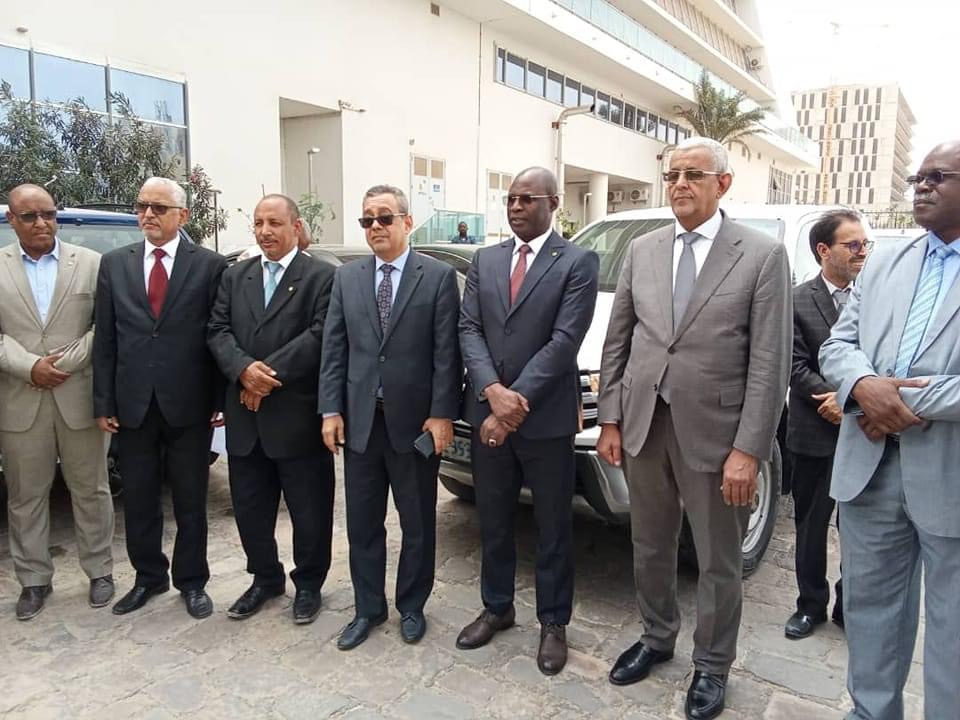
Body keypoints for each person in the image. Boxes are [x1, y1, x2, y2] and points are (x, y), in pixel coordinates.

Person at [596, 136, 791, 720]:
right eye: (672, 174)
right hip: (644, 426)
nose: (679, 184)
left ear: (723, 184)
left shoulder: (761, 255)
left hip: (717, 435)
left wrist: (749, 450)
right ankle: (657, 637)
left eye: (693, 175)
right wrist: (610, 417)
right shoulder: (644, 249)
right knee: (650, 544)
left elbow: (770, 363)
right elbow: (619, 341)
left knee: (717, 558)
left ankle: (712, 664)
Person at [819, 140, 960, 720]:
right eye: (916, 178)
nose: (921, 186)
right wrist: (862, 385)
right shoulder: (884, 261)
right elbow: (837, 345)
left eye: (937, 177)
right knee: (870, 608)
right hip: (870, 467)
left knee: (952, 627)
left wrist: (897, 399)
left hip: (949, 471)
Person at [457, 167, 599, 675]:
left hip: (545, 421)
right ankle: (497, 607)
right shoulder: (486, 260)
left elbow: (565, 340)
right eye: (511, 199)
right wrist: (493, 393)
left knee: (553, 525)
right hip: (488, 414)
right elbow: (469, 328)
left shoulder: (577, 261)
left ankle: (554, 622)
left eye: (527, 199)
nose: (516, 207)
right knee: (493, 518)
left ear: (553, 203)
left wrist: (514, 403)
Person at [319, 184, 461, 649]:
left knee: (417, 522)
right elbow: (334, 349)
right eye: (367, 220)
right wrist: (330, 409)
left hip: (415, 425)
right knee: (363, 523)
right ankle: (368, 608)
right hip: (361, 423)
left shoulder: (437, 277)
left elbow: (447, 353)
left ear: (407, 221)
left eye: (384, 217)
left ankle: (412, 606)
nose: (375, 226)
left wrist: (442, 414)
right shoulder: (347, 278)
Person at [93, 177, 226, 619]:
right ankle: (148, 577)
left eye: (158, 208)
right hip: (132, 405)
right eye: (142, 206)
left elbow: (217, 335)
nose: (147, 214)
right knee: (139, 499)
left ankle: (192, 581)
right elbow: (106, 339)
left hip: (189, 404)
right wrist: (104, 402)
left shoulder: (209, 266)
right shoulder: (115, 264)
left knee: (190, 499)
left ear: (182, 216)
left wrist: (220, 398)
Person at [208, 194, 336, 625]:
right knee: (250, 510)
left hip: (297, 418)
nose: (265, 231)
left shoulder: (321, 276)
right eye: (259, 222)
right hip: (246, 418)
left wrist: (265, 377)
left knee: (309, 512)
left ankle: (309, 585)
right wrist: (243, 371)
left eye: (275, 223)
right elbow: (217, 330)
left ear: (296, 227)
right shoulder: (235, 276)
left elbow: (320, 336)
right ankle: (265, 579)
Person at [0, 184, 115, 620]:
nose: (41, 223)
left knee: (92, 489)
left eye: (48, 214)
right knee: (25, 495)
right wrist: (29, 366)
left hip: (78, 395)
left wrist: (65, 363)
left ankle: (100, 571)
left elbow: (105, 326)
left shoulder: (90, 263)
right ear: (12, 220)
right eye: (29, 216)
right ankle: (33, 580)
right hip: (20, 398)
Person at [783, 209, 870, 640]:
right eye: (852, 245)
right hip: (813, 431)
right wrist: (836, 398)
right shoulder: (796, 300)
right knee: (811, 526)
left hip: (864, 431)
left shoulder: (874, 299)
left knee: (857, 528)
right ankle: (810, 605)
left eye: (865, 244)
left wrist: (850, 400)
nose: (862, 252)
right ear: (823, 250)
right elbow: (794, 365)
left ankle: (848, 605)